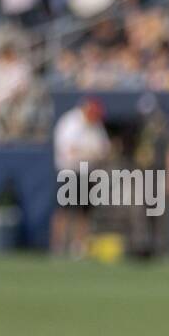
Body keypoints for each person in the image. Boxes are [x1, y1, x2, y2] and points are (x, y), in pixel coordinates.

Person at [52, 97, 110, 256]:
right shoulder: (70, 123)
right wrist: (90, 153)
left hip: (87, 172)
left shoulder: (96, 125)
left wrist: (88, 153)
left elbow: (104, 149)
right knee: (64, 210)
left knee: (84, 212)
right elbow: (69, 151)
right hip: (69, 172)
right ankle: (58, 246)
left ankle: (78, 247)